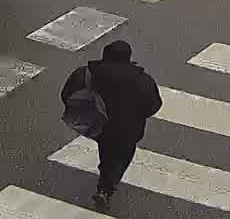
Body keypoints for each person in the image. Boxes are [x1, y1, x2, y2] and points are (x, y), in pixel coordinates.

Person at [60, 39, 161, 211]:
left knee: (106, 150)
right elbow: (154, 105)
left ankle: (105, 176)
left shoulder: (86, 74)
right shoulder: (143, 81)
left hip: (100, 125)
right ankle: (106, 188)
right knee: (122, 157)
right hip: (128, 130)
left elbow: (67, 94)